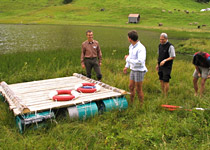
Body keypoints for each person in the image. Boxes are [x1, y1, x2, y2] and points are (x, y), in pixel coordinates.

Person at [123, 30, 147, 107]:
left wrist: (128, 59)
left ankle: (141, 105)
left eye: (128, 37)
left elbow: (140, 61)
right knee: (131, 86)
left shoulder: (141, 48)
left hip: (139, 70)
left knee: (138, 89)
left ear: (130, 39)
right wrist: (126, 66)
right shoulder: (131, 46)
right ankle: (131, 102)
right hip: (133, 69)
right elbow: (130, 57)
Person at [156, 33, 176, 97]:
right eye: (160, 39)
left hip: (167, 66)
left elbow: (173, 56)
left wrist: (165, 60)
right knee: (161, 79)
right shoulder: (160, 45)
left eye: (163, 39)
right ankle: (162, 92)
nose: (161, 41)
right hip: (160, 66)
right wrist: (157, 64)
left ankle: (166, 95)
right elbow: (159, 55)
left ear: (166, 39)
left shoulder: (170, 46)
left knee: (166, 80)